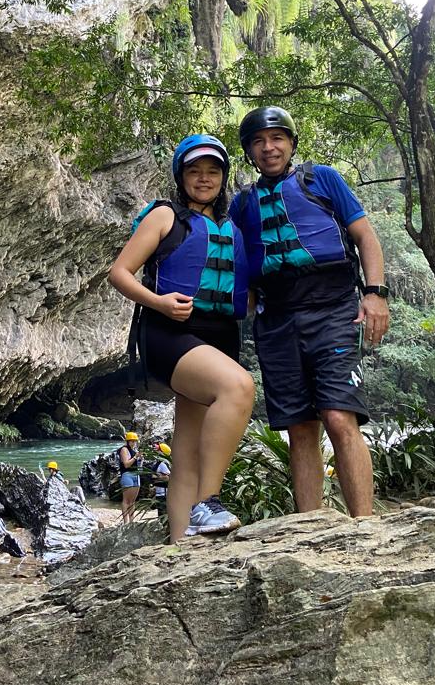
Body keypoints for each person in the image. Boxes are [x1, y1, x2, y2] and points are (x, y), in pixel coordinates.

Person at [230, 106, 391, 518]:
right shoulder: (242, 204)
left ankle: (365, 525)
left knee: (338, 416)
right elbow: (240, 269)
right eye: (259, 142)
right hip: (277, 318)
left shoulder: (322, 179)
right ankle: (310, 526)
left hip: (334, 310)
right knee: (300, 427)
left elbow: (364, 236)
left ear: (291, 142)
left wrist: (375, 294)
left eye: (277, 138)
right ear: (249, 152)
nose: (269, 148)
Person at [109, 134, 254, 540]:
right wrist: (158, 302)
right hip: (169, 331)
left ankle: (180, 545)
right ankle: (208, 503)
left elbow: (249, 288)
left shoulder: (232, 227)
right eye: (195, 170)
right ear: (181, 176)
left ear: (223, 178)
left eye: (213, 171)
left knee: (187, 447)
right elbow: (119, 273)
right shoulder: (164, 217)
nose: (204, 178)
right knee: (239, 387)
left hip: (220, 335)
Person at [117, 431, 143, 523]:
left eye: (134, 441)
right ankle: (126, 522)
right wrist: (135, 457)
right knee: (126, 500)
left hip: (136, 475)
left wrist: (141, 459)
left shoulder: (134, 450)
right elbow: (126, 464)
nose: (133, 443)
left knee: (132, 501)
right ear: (127, 441)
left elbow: (139, 466)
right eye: (131, 441)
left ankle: (132, 521)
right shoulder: (124, 449)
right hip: (127, 475)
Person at [151, 442, 171, 515]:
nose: (156, 451)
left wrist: (156, 476)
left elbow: (168, 477)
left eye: (158, 450)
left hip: (163, 494)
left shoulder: (163, 464)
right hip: (161, 493)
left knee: (163, 514)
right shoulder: (161, 462)